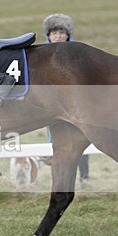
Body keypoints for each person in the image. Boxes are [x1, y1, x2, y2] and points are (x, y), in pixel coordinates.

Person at [42, 13, 89, 180]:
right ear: (48, 36)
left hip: (76, 104)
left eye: (62, 33)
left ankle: (84, 177)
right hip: (53, 106)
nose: (58, 36)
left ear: (68, 35)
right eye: (54, 33)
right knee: (56, 140)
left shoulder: (78, 54)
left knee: (81, 139)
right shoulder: (42, 56)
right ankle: (60, 178)